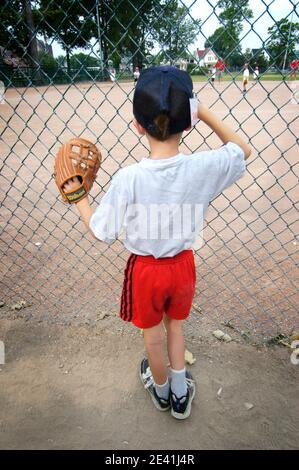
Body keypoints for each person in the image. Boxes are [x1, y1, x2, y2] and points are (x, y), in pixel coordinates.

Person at [62, 66, 251, 420]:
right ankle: (180, 395)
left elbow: (101, 231)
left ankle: (160, 390)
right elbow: (242, 149)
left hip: (146, 271)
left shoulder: (129, 178)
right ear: (189, 122)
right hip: (182, 266)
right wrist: (204, 110)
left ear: (137, 125)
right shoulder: (202, 167)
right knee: (175, 327)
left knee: (153, 336)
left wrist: (80, 199)